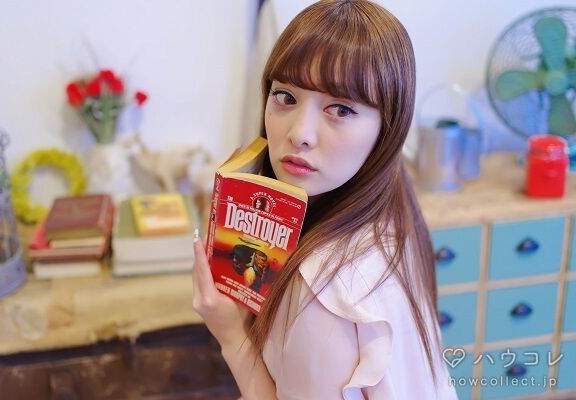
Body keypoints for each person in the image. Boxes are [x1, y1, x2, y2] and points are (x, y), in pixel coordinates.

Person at [191, 1, 458, 399]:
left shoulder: (319, 291)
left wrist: (231, 333)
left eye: (340, 109)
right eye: (286, 96)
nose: (300, 133)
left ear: (388, 129)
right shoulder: (393, 209)